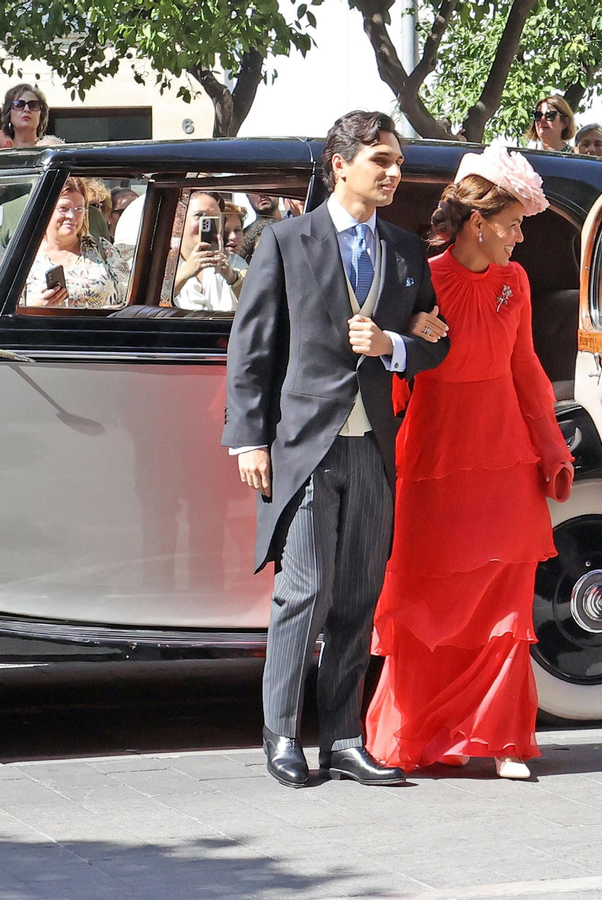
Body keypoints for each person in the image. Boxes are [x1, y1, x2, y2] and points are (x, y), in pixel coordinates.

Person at [222, 110, 449, 788]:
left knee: (358, 596)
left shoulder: (405, 251)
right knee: (304, 592)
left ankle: (345, 739)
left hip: (373, 446)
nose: (394, 172)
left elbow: (437, 342)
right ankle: (282, 735)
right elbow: (252, 348)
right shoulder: (286, 241)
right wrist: (249, 439)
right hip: (304, 447)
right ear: (340, 164)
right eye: (381, 160)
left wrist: (393, 344)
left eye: (398, 161)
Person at [364, 142, 570, 781]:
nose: (520, 237)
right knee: (425, 604)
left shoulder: (517, 281)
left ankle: (503, 739)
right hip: (433, 458)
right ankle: (416, 734)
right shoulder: (420, 277)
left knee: (504, 607)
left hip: (506, 461)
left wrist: (551, 448)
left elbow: (526, 369)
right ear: (478, 222)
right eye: (512, 225)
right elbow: (392, 377)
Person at [21, 177, 128, 309]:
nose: (72, 216)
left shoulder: (102, 249)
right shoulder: (25, 257)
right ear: (45, 210)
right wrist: (35, 308)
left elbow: (129, 298)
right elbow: (7, 310)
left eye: (79, 209)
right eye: (64, 208)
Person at [173, 191, 244, 311]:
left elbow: (257, 304)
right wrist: (185, 273)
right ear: (178, 221)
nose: (208, 223)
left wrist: (232, 278)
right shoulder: (163, 263)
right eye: (200, 216)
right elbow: (149, 303)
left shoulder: (234, 262)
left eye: (214, 218)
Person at [2, 84, 50, 149]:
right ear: (9, 113)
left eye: (33, 105)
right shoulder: (1, 153)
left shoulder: (51, 150)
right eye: (19, 104)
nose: (26, 109)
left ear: (41, 114)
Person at [240, 193, 282, 260]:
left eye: (267, 188)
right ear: (248, 196)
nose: (262, 194)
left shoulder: (293, 226)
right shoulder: (243, 238)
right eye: (255, 191)